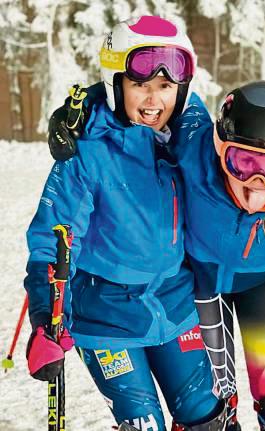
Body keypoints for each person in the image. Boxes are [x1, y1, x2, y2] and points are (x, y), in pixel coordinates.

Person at [47, 79, 265, 430]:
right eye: (242, 161)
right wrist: (85, 104)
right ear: (220, 143)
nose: (257, 180)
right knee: (214, 397)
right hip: (202, 281)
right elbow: (164, 96)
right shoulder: (194, 145)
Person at [25, 16, 225, 430]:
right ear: (116, 83)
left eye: (166, 87)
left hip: (174, 305)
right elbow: (52, 240)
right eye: (140, 85)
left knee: (205, 415)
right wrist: (45, 320)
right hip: (107, 316)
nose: (154, 100)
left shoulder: (189, 137)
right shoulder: (87, 152)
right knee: (142, 422)